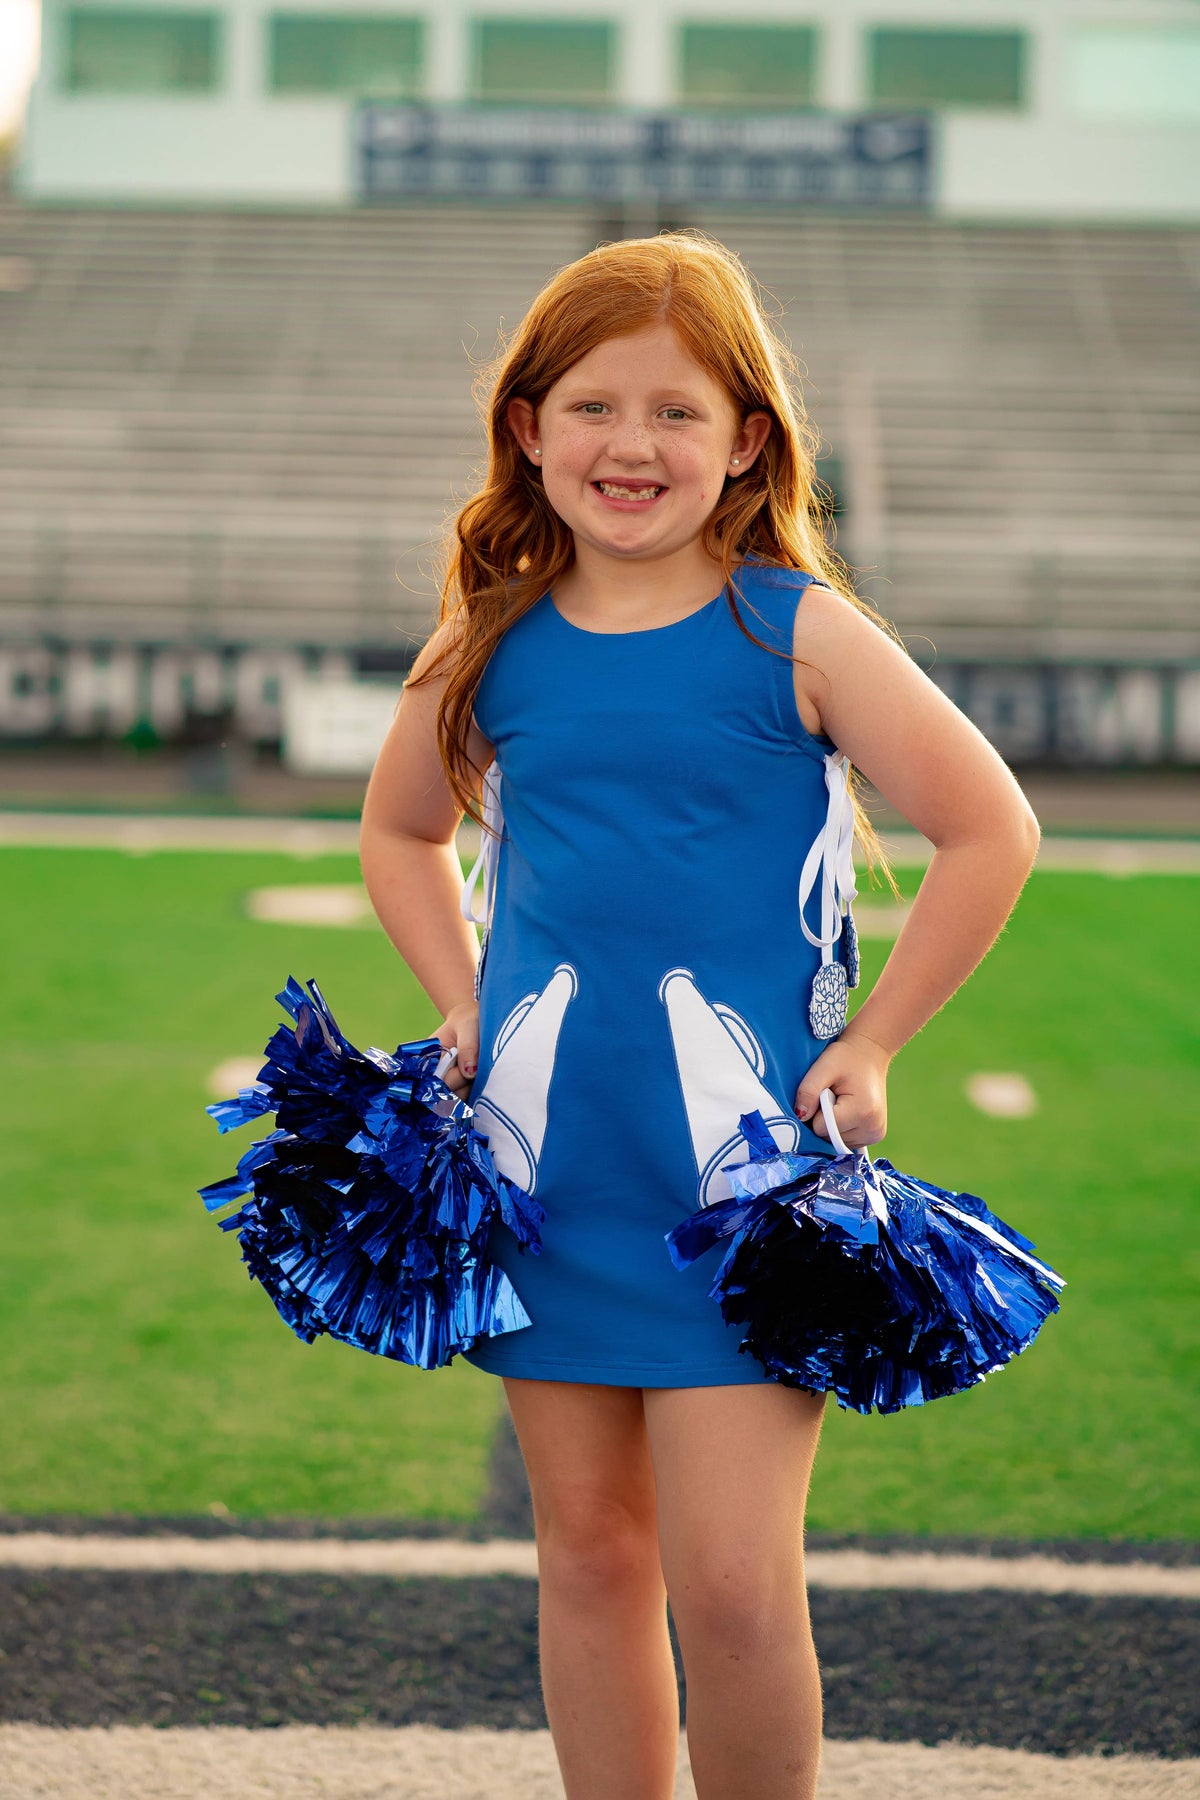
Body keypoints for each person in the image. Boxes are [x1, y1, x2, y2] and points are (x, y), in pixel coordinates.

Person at [359, 233, 1040, 1800]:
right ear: (529, 428)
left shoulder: (791, 630)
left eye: (677, 411)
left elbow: (989, 825)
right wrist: (462, 1000)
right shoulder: (487, 638)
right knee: (591, 1559)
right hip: (544, 1173)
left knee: (732, 1588)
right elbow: (401, 835)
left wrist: (871, 1044)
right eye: (594, 406)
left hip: (739, 1190)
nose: (632, 445)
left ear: (746, 440)